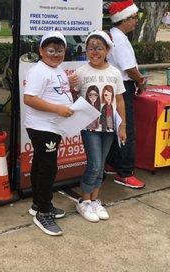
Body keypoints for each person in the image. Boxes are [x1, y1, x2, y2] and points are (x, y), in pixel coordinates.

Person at [23, 31, 77, 236]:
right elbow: (29, 98)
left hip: (53, 127)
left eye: (60, 50)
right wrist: (57, 109)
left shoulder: (57, 70)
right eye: (51, 50)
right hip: (43, 127)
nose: (55, 54)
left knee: (40, 164)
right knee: (48, 168)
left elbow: (58, 94)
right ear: (41, 51)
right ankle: (44, 212)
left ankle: (38, 204)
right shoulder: (39, 71)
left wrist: (70, 88)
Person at [72, 31, 126, 222]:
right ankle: (84, 200)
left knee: (101, 165)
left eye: (99, 48)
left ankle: (95, 200)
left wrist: (123, 126)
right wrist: (70, 87)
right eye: (91, 48)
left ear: (107, 50)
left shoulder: (114, 73)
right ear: (86, 50)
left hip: (110, 126)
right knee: (94, 164)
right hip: (89, 126)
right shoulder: (81, 72)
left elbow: (119, 100)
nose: (95, 52)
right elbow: (72, 99)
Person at [106, 0, 146, 189]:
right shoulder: (120, 39)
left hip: (114, 85)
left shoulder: (115, 35)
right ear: (124, 19)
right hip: (123, 85)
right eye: (134, 17)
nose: (136, 21)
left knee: (115, 125)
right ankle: (126, 171)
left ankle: (113, 163)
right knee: (126, 129)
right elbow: (129, 68)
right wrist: (141, 80)